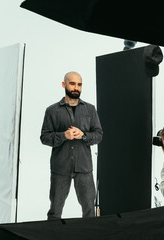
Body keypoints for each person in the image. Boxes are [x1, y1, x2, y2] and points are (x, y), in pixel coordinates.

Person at [40, 71, 103, 219]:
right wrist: (63, 136)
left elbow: (99, 135)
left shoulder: (90, 109)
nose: (76, 87)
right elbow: (44, 137)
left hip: (84, 168)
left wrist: (84, 135)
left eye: (79, 84)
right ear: (64, 84)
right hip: (60, 168)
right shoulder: (52, 111)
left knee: (89, 211)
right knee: (55, 211)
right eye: (72, 83)